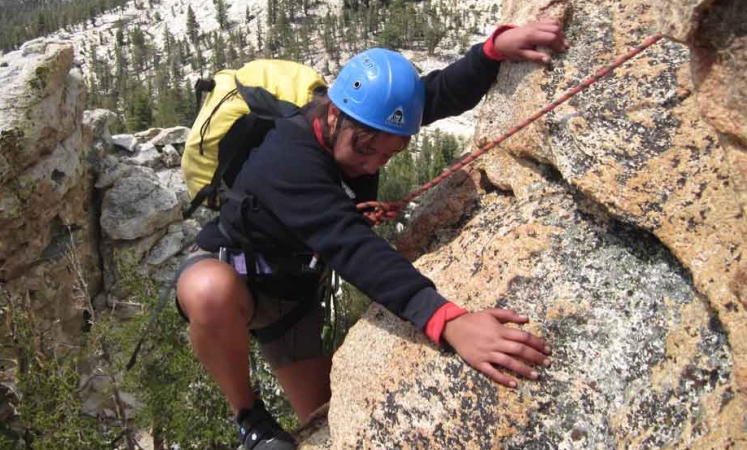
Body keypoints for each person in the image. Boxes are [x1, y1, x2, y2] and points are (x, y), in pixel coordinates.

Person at [176, 20, 567, 450]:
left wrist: (491, 52)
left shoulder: (364, 123)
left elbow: (434, 94)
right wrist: (448, 320)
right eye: (365, 149)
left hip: (291, 290)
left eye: (391, 152)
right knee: (207, 290)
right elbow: (352, 248)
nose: (373, 165)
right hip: (234, 268)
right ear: (333, 114)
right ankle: (248, 416)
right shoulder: (286, 158)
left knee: (325, 419)